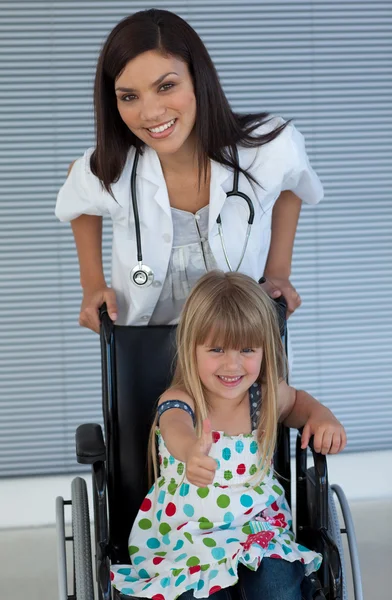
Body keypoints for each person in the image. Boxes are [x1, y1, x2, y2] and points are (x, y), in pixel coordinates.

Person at [55, 8, 324, 333]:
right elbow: (78, 182)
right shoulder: (117, 167)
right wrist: (91, 285)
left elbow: (292, 183)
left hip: (243, 361)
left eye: (166, 86)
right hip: (147, 360)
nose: (150, 112)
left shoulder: (269, 148)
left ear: (199, 78)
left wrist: (278, 271)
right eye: (129, 96)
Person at [110, 270, 346, 600]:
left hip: (258, 528)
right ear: (191, 347)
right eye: (217, 349)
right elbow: (174, 426)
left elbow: (300, 403)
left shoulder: (265, 398)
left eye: (247, 350)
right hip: (191, 534)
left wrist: (322, 417)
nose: (232, 365)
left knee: (278, 588)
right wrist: (191, 450)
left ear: (265, 350)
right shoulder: (182, 399)